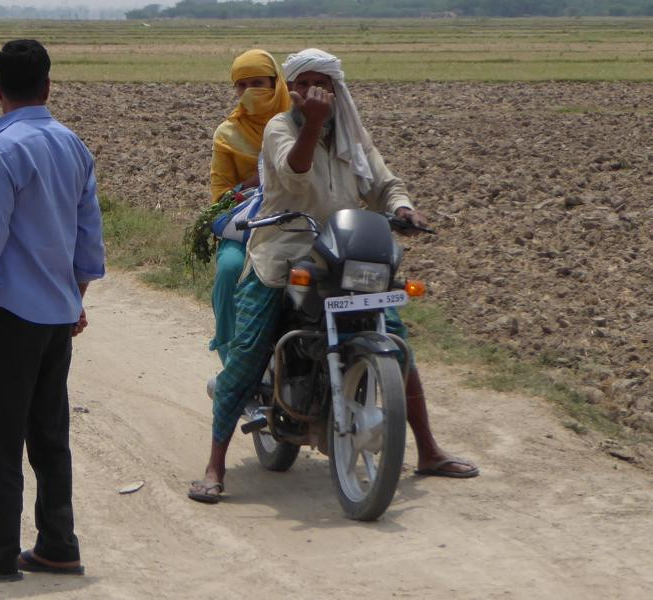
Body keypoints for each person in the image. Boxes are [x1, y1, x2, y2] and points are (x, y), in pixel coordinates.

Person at [188, 48, 478, 504]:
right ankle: (215, 463)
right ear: (293, 89)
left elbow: (382, 182)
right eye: (302, 84)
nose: (310, 92)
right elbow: (295, 173)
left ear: (336, 88)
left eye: (319, 83)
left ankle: (428, 449)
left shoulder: (352, 135)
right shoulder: (280, 129)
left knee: (398, 340)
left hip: (344, 250)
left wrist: (401, 206)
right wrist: (315, 124)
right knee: (248, 350)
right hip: (286, 249)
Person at [0, 39, 105, 581]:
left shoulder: (4, 148)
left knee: (2, 438)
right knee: (50, 435)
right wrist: (74, 299)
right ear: (48, 86)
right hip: (56, 316)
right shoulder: (73, 145)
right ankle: (58, 545)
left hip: (10, 316)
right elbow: (89, 240)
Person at [208, 49, 291, 365]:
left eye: (258, 83)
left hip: (297, 218)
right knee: (230, 269)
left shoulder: (299, 122)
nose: (249, 92)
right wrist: (250, 189)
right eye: (241, 85)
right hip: (247, 226)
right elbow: (220, 197)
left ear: (276, 83)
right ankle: (231, 362)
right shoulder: (227, 134)